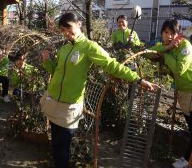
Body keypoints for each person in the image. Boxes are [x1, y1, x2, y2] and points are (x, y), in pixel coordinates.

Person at [40, 12, 159, 168]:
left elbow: (111, 64)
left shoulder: (89, 47)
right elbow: (57, 72)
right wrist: (46, 61)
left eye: (69, 28)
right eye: (62, 30)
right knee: (55, 143)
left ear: (79, 25)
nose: (66, 34)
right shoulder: (65, 48)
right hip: (53, 100)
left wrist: (138, 79)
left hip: (69, 106)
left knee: (63, 149)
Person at [149, 19, 192, 168]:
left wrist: (166, 55)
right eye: (166, 32)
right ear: (162, 33)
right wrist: (168, 47)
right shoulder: (166, 45)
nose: (169, 36)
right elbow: (150, 54)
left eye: (173, 33)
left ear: (178, 34)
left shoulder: (185, 46)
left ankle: (187, 160)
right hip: (184, 94)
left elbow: (179, 70)